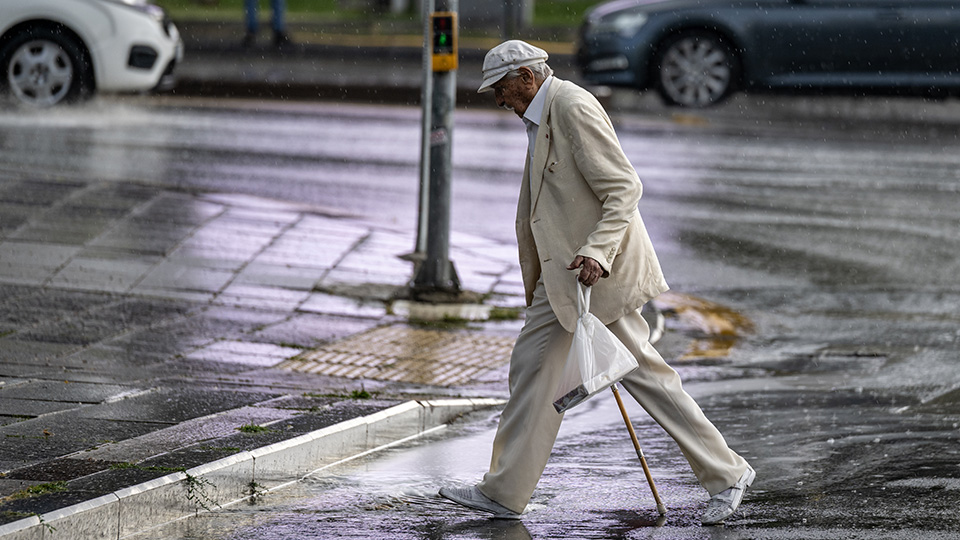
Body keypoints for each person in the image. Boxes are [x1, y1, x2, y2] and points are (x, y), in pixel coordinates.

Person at [438, 40, 755, 525]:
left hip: (594, 276)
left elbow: (623, 187)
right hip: (564, 278)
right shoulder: (539, 112)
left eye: (502, 89)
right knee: (533, 373)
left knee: (647, 378)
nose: (499, 100)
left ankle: (728, 473)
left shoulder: (571, 106)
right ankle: (504, 490)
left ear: (526, 76)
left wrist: (597, 251)